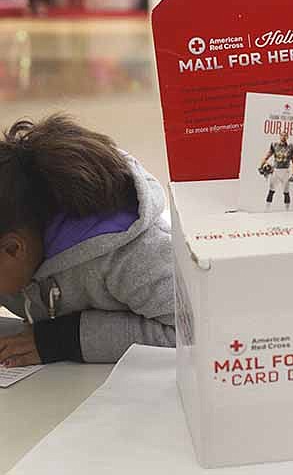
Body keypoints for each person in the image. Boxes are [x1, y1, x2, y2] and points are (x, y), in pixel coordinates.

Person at [0, 114, 175, 367]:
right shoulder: (16, 236)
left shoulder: (131, 255)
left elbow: (193, 331)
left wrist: (63, 339)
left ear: (13, 249)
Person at [259, 131, 293, 207]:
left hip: (285, 170)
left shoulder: (291, 147)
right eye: (282, 135)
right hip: (276, 170)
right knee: (271, 191)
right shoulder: (275, 145)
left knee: (286, 192)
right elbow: (267, 157)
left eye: (285, 135)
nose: (283, 137)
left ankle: (287, 211)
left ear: (287, 137)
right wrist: (261, 166)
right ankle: (267, 208)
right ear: (279, 136)